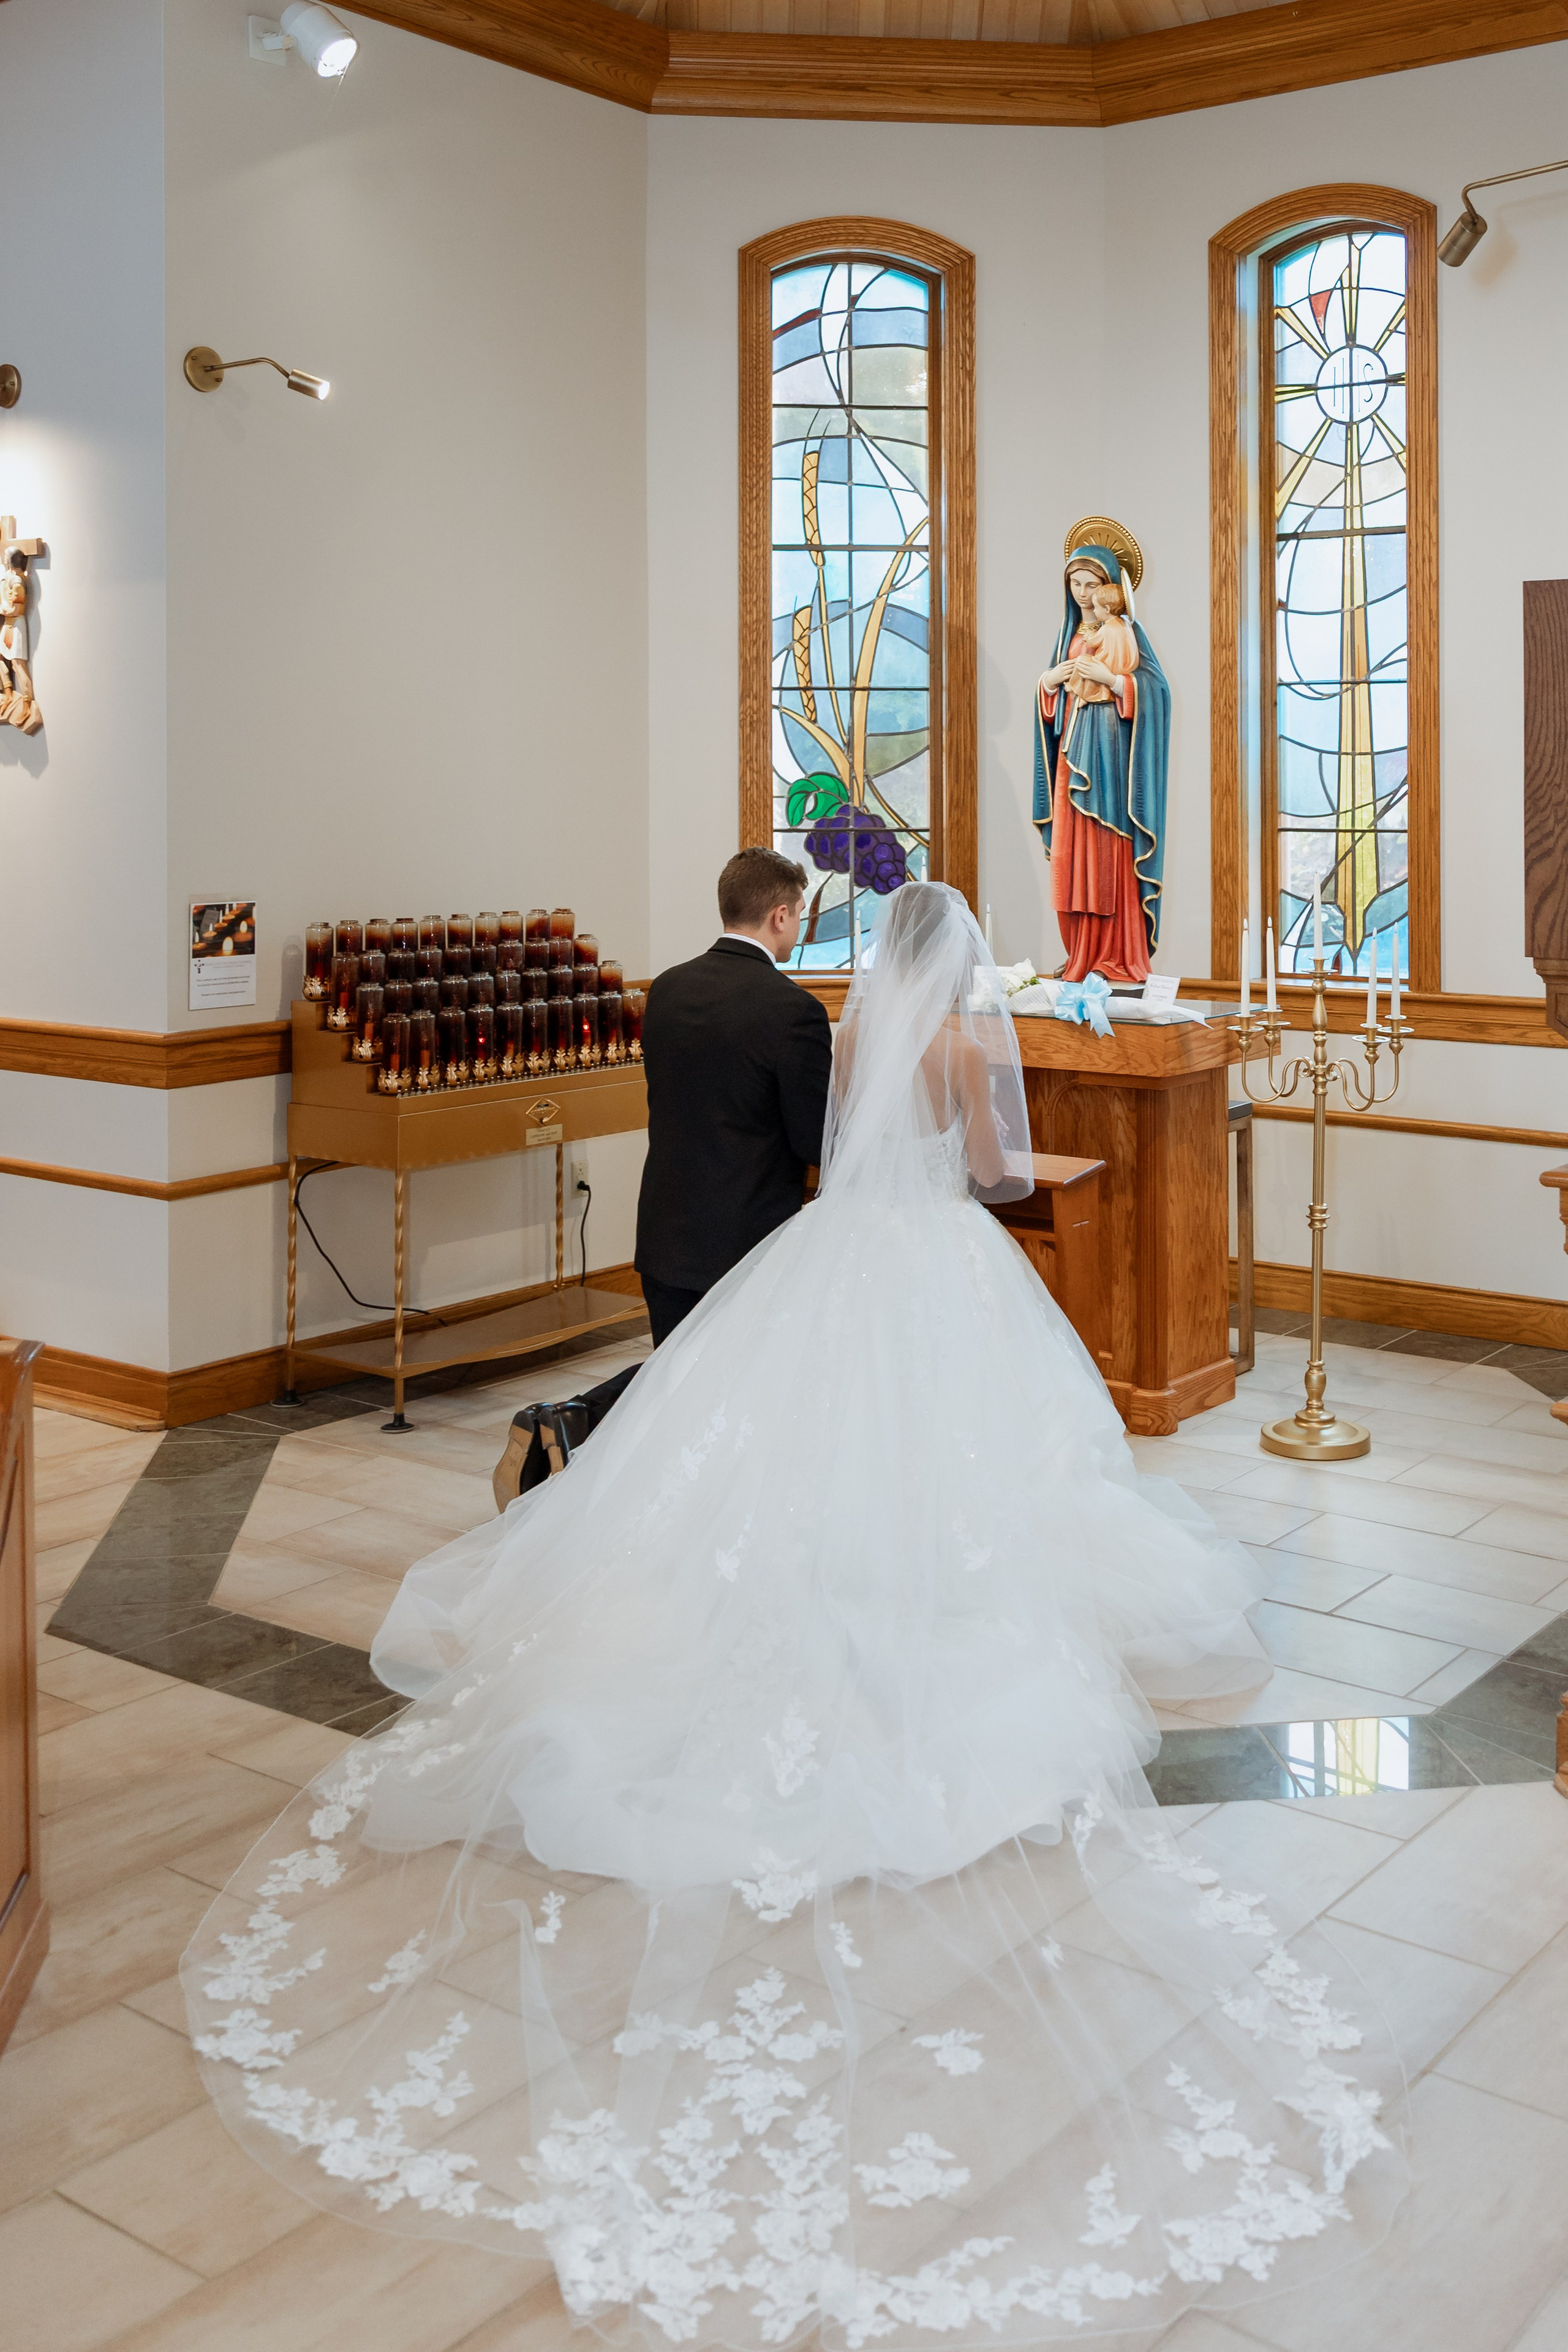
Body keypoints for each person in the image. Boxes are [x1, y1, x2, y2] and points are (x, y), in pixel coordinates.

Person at [184, 884, 1406, 2350]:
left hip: (836, 1255)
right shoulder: (962, 1040)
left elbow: (840, 1155)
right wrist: (1002, 1179)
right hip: (939, 1266)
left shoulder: (848, 1022)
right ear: (956, 965)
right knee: (968, 1470)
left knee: (810, 1460)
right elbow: (1000, 1170)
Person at [490, 846, 831, 1506]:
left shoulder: (667, 989)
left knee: (683, 1381)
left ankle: (573, 1429)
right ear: (781, 914)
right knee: (714, 1387)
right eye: (801, 915)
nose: (802, 927)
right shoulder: (792, 1010)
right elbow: (813, 1138)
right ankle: (575, 1421)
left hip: (667, 1227)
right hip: (747, 1236)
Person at [1034, 526, 1169, 987]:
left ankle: (1115, 955)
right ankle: (1081, 955)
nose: (1084, 594)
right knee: (1073, 853)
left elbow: (1157, 692)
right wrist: (1048, 683)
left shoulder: (1127, 631)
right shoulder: (1066, 634)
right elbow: (1053, 706)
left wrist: (1112, 683)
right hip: (1073, 749)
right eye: (1076, 584)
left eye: (1093, 585)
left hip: (1110, 753)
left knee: (1108, 846)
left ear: (1112, 588)